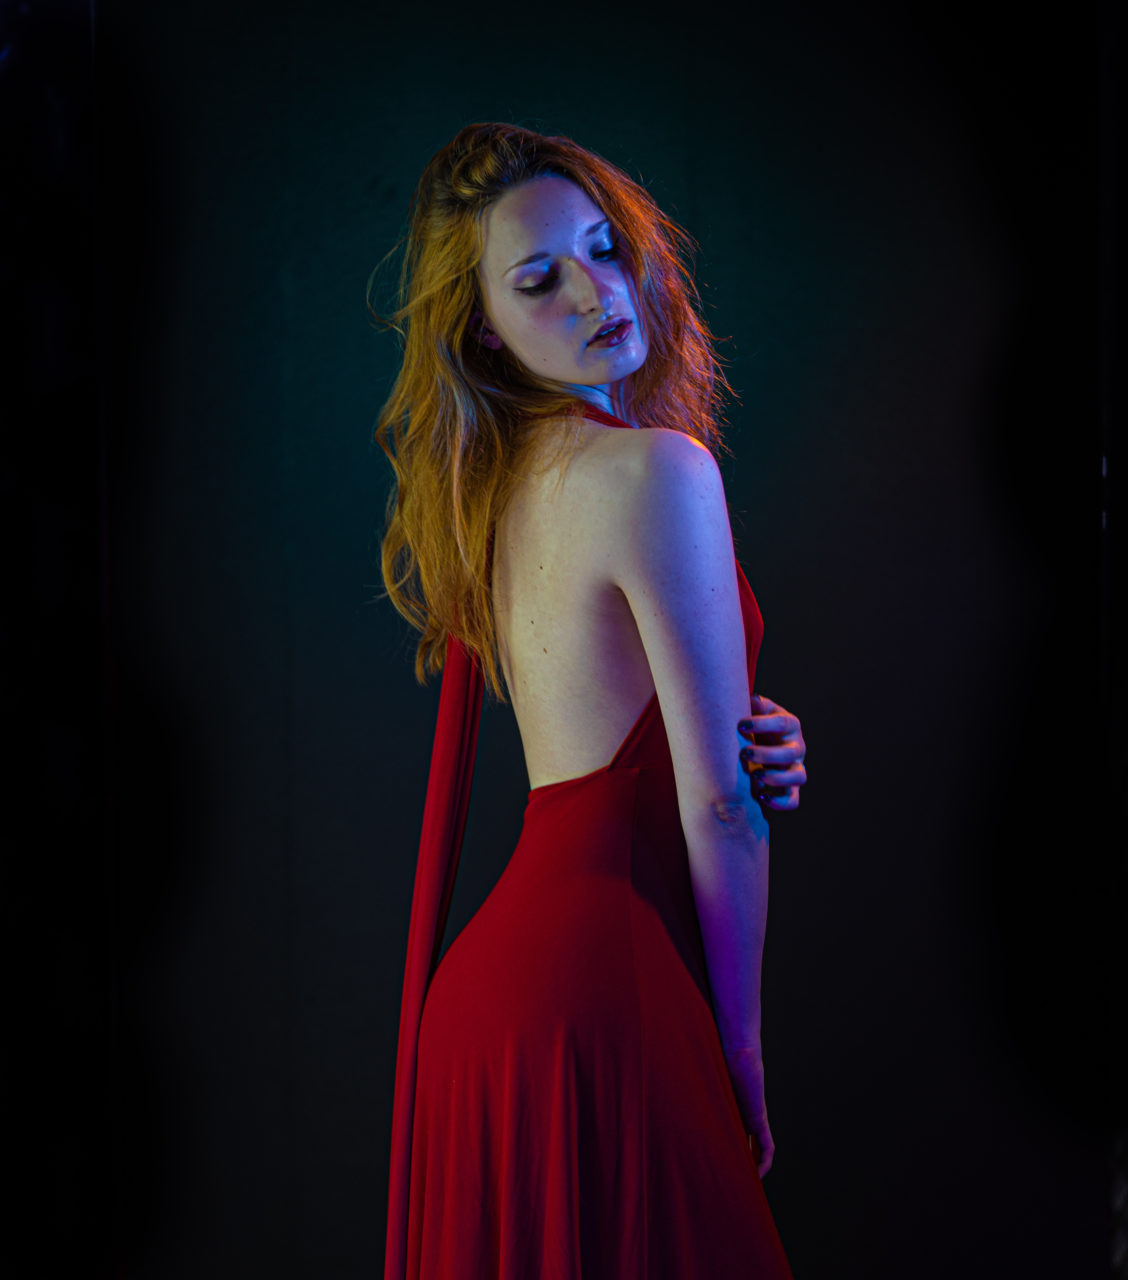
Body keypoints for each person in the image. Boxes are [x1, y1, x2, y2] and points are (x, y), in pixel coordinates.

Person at [374, 122, 808, 1279]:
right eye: (539, 279)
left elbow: (630, 737)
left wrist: (749, 734)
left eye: (604, 248)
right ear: (483, 325)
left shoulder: (494, 496)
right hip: (600, 988)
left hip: (489, 1007)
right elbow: (717, 807)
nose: (596, 290)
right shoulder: (658, 469)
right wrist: (740, 1042)